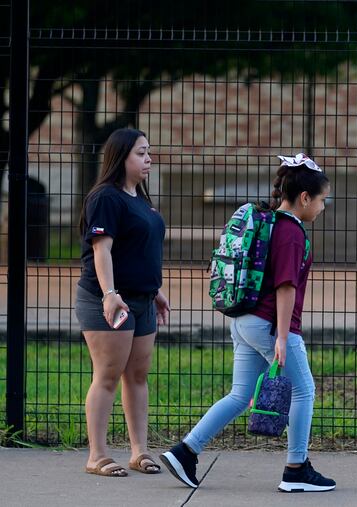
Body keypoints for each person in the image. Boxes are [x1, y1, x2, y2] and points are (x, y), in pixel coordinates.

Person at [160, 154, 336, 493]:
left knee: (240, 394)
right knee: (304, 391)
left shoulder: (267, 223)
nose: (322, 207)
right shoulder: (290, 232)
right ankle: (296, 469)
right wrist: (283, 337)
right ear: (304, 198)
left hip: (243, 320)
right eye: (322, 200)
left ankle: (185, 451)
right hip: (270, 323)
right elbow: (286, 286)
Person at [75, 128, 170, 477]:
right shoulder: (106, 198)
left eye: (148, 152)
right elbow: (102, 252)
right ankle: (96, 456)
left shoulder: (138, 198)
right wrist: (110, 294)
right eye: (141, 153)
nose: (148, 159)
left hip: (143, 301)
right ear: (121, 157)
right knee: (108, 375)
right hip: (109, 300)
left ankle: (139, 452)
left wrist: (154, 291)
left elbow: (139, 249)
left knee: (138, 375)